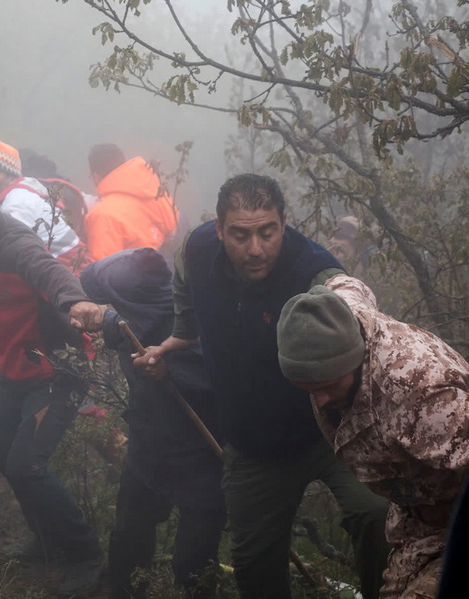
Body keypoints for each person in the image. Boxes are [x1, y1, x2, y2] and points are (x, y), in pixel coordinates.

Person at [134, 174, 390, 599]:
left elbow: (356, 314)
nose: (255, 249)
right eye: (240, 234)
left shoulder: (316, 270)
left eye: (267, 232)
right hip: (252, 443)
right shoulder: (197, 249)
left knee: (376, 514)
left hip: (333, 431)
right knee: (255, 565)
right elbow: (183, 283)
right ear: (218, 229)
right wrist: (180, 334)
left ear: (283, 223)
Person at [0, 158, 105, 598]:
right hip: (17, 369)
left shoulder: (11, 240)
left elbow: (46, 269)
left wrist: (74, 300)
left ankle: (86, 554)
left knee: (27, 464)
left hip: (58, 368)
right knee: (7, 457)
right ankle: (45, 538)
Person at [277, 276, 469, 598]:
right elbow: (347, 284)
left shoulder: (420, 396)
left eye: (328, 386)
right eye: (309, 388)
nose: (320, 400)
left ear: (353, 360)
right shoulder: (341, 316)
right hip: (414, 526)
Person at [81, 248, 225, 599]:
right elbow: (91, 284)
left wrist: (169, 371)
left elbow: (220, 381)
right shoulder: (126, 317)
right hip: (148, 449)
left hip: (203, 459)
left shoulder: (195, 325)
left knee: (193, 563)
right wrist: (97, 313)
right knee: (130, 536)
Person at [0, 141, 88, 271]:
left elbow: (10, 252)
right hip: (63, 267)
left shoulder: (18, 201)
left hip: (73, 272)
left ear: (10, 177)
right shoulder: (16, 193)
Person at [84, 143, 178, 261]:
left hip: (143, 277)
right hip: (171, 271)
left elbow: (102, 272)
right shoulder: (156, 191)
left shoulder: (102, 215)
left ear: (96, 177)